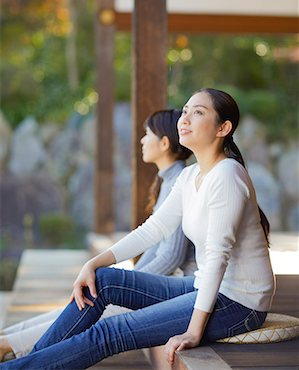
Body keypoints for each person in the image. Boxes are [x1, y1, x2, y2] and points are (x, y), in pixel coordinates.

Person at [0, 88, 275, 370]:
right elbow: (153, 229)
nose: (185, 118)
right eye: (185, 111)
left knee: (110, 332)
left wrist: (193, 331)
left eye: (198, 112)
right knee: (103, 281)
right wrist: (94, 263)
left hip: (238, 303)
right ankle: (31, 363)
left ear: (223, 128)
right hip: (200, 286)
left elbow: (218, 256)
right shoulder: (191, 175)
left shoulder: (227, 175)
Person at [0, 109, 194, 362]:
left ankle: (10, 347)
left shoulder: (179, 181)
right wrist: (131, 281)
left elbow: (171, 255)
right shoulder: (172, 181)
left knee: (90, 307)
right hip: (165, 284)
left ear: (165, 143)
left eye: (147, 134)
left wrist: (131, 284)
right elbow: (158, 248)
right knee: (74, 308)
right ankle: (7, 341)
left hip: (177, 291)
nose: (142, 140)